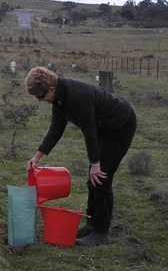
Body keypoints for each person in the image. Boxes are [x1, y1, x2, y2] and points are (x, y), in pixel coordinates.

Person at [25, 66, 136, 246]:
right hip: (104, 128)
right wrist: (37, 157)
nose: (40, 101)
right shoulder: (59, 99)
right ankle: (91, 224)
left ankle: (101, 233)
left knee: (101, 179)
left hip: (120, 127)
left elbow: (89, 131)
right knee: (92, 179)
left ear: (51, 89)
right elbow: (56, 129)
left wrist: (96, 163)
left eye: (40, 96)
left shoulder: (77, 97)